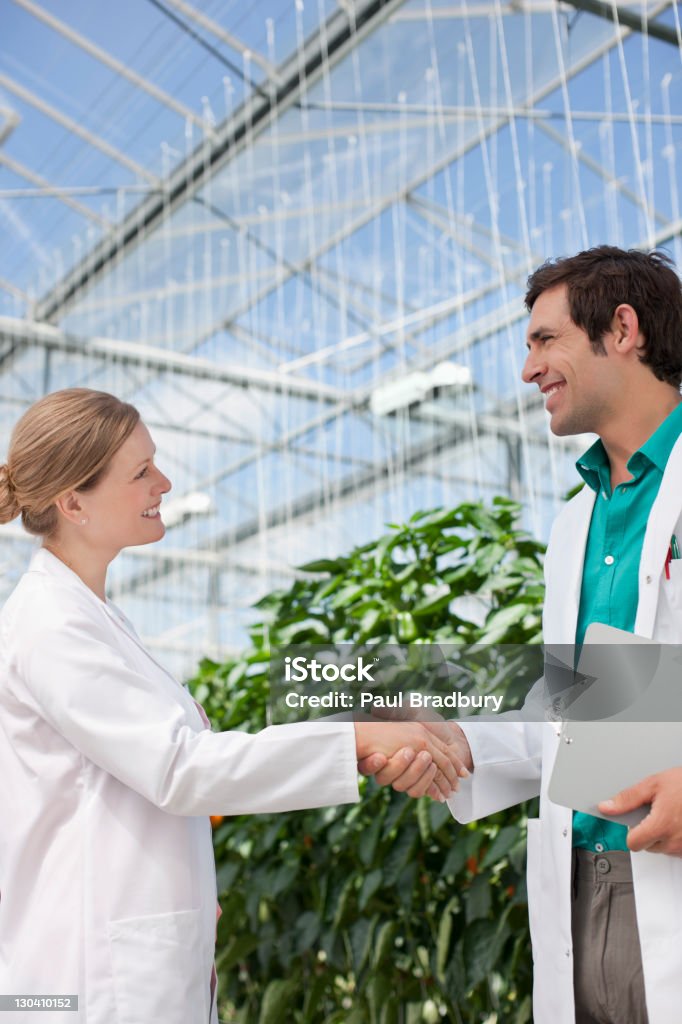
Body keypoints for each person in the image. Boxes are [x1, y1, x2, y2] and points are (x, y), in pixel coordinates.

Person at [0, 388, 469, 1024]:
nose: (162, 482)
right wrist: (354, 740)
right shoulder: (52, 623)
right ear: (73, 502)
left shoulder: (92, 616)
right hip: (86, 982)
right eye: (141, 472)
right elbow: (178, 768)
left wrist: (362, 727)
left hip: (119, 966)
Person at [362, 246, 682, 1024]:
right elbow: (580, 719)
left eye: (545, 340)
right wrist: (456, 742)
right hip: (586, 886)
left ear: (624, 329)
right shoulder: (578, 522)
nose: (528, 367)